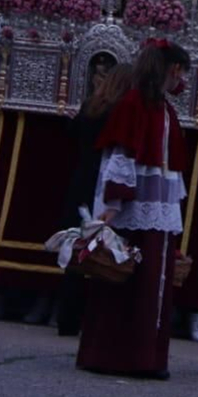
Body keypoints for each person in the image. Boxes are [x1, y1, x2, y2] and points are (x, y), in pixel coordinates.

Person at [76, 39, 191, 379]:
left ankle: (143, 355)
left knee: (147, 284)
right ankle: (122, 355)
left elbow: (169, 164)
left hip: (155, 208)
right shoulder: (136, 103)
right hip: (134, 208)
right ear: (172, 70)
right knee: (126, 282)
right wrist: (113, 204)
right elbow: (121, 154)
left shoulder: (162, 108)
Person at [53, 60, 132, 336]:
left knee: (78, 246)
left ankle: (66, 315)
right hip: (102, 181)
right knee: (103, 250)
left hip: (81, 177)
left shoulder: (91, 106)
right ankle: (95, 317)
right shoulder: (120, 112)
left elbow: (71, 134)